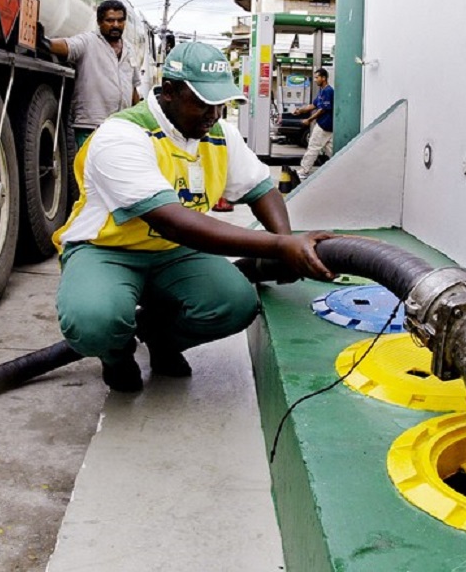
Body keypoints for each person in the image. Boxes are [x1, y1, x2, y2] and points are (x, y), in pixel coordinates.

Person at [52, 42, 335, 392]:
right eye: (202, 103)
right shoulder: (121, 136)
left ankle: (162, 340)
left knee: (235, 304)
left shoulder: (217, 133)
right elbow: (170, 219)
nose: (214, 115)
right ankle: (116, 355)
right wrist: (281, 246)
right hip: (108, 248)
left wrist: (286, 243)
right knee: (93, 320)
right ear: (168, 91)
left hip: (176, 251)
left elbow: (262, 188)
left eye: (221, 105)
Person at [47, 0, 142, 149]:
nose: (116, 25)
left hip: (120, 125)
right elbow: (68, 45)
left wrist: (140, 119)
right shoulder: (88, 41)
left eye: (120, 20)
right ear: (99, 22)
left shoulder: (129, 50)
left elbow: (133, 89)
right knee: (89, 169)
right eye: (110, 20)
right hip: (91, 126)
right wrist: (45, 42)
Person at [291, 68, 334, 179]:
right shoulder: (322, 91)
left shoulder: (328, 91)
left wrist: (309, 120)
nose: (315, 80)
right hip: (325, 126)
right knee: (330, 149)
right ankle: (341, 166)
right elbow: (313, 105)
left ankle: (304, 171)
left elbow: (322, 109)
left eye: (317, 77)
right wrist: (300, 110)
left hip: (324, 125)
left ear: (323, 78)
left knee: (313, 147)